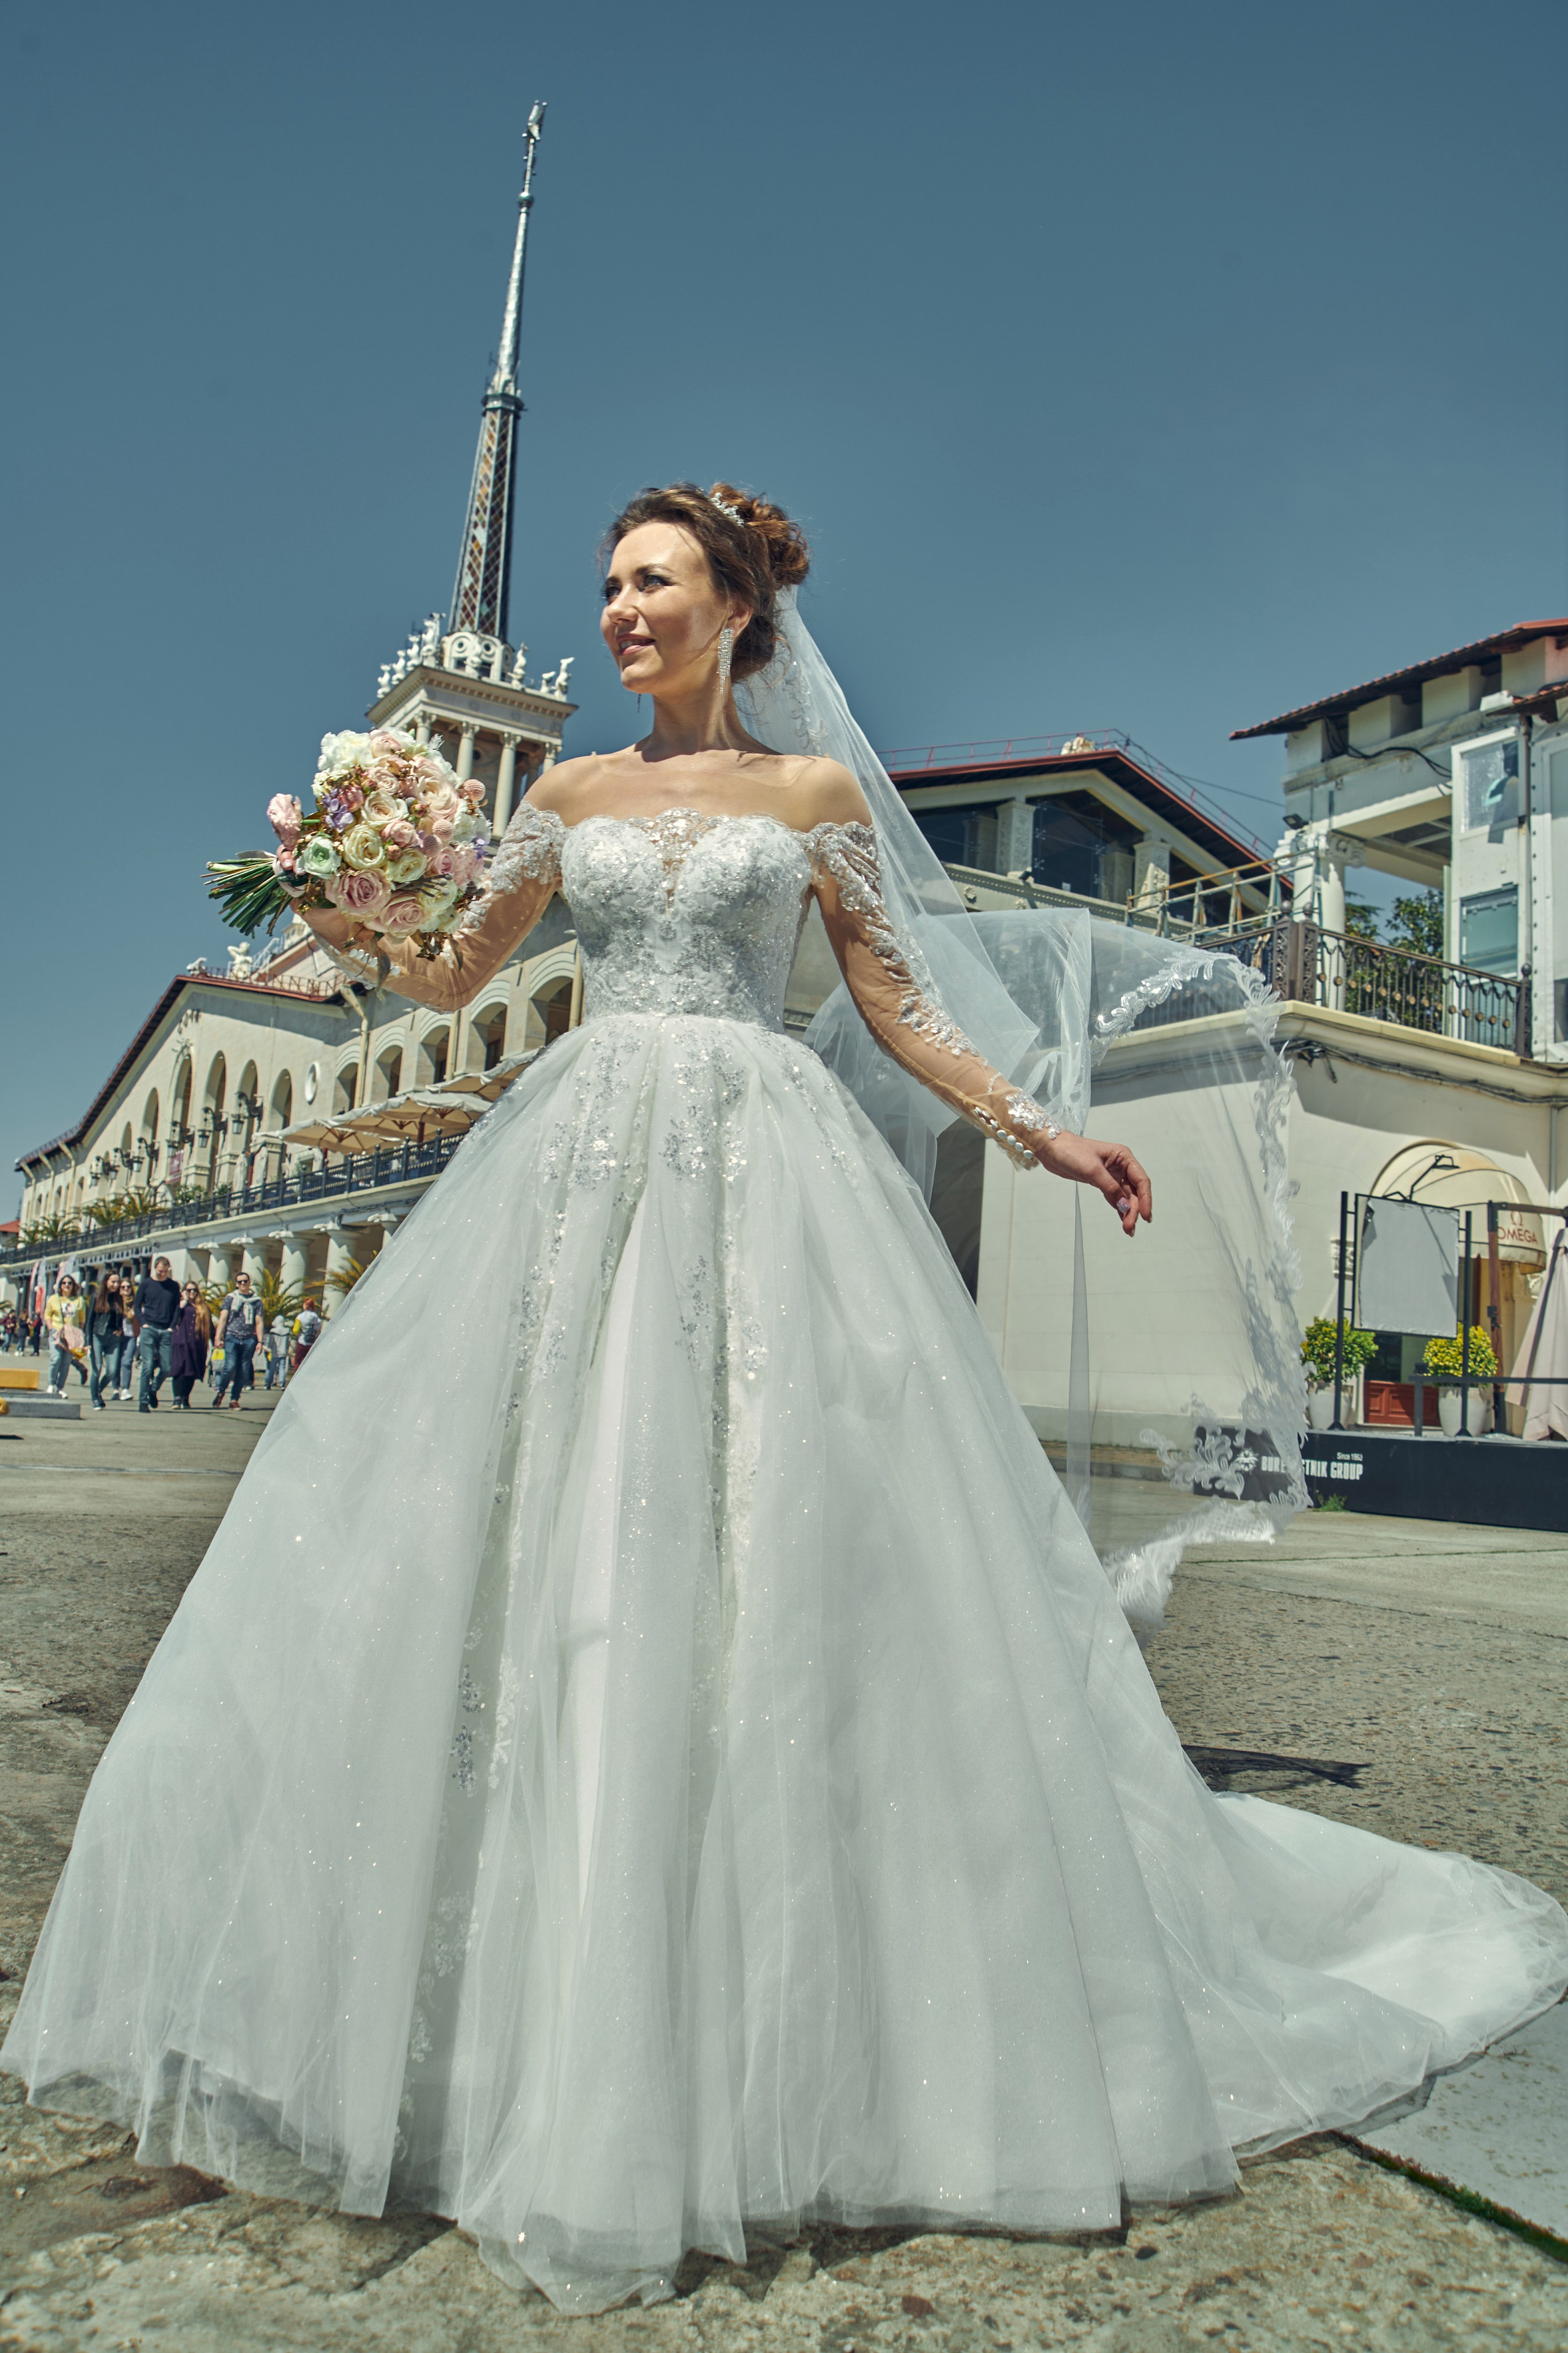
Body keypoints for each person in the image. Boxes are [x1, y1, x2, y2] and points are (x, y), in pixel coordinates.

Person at [7, 484, 1566, 2317]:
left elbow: (899, 1003)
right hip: (577, 1167)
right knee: (551, 1530)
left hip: (765, 1166)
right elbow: (446, 976)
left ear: (741, 607)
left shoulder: (814, 802)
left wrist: (1034, 1125)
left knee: (765, 1528)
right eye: (606, 586)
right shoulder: (566, 798)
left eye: (654, 580)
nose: (620, 612)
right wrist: (360, 906)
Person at [132, 1257, 181, 1411]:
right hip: (149, 1328)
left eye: (165, 1272)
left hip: (166, 1329)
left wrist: (172, 1327)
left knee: (167, 1367)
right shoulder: (146, 1283)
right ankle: (143, 1401)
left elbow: (177, 1308)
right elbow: (137, 1305)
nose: (162, 1274)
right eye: (160, 1271)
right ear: (155, 1269)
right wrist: (143, 1323)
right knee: (147, 1365)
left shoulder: (173, 1286)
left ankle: (153, 1390)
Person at [211, 1272, 263, 1408]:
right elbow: (223, 1318)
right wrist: (218, 1337)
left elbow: (259, 1321)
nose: (243, 1284)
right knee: (230, 1366)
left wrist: (260, 1341)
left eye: (245, 1281)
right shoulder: (230, 1299)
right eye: (240, 1282)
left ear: (249, 1282)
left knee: (243, 1370)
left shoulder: (256, 1301)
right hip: (232, 1337)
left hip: (248, 1339)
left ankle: (234, 1399)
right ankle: (221, 1391)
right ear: (236, 1284)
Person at [43, 1274, 88, 1399]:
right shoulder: (54, 1299)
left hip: (71, 1335)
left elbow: (82, 1319)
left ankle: (60, 1387)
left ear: (74, 1286)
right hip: (57, 1332)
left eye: (69, 1283)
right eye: (64, 1283)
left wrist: (79, 1333)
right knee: (55, 1358)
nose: (67, 1285)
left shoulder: (79, 1301)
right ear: (60, 1286)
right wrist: (50, 1328)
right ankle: (51, 1384)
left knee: (66, 1362)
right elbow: (47, 1315)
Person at [86, 1274, 125, 1411]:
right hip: (98, 1336)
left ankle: (98, 1391)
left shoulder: (119, 1298)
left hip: (113, 1338)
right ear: (106, 1282)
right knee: (96, 1369)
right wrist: (88, 1342)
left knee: (112, 1371)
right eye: (113, 1282)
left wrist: (121, 1330)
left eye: (117, 1282)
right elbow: (90, 1321)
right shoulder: (97, 1297)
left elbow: (120, 1318)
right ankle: (95, 1399)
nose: (116, 1285)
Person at [170, 1283, 212, 1408]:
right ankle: (177, 1398)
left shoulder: (203, 1307)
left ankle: (185, 1397)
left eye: (194, 1290)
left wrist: (217, 1339)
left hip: (197, 1344)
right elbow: (174, 1319)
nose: (192, 1292)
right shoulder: (180, 1305)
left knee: (192, 1372)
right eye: (189, 1290)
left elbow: (210, 1326)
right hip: (181, 1342)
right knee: (179, 1371)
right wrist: (183, 1303)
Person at [290, 1295, 322, 1375]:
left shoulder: (300, 1317)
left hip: (302, 1341)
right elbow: (318, 1330)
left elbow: (296, 1330)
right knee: (307, 1362)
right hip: (311, 1342)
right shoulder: (316, 1318)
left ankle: (296, 1376)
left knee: (298, 1361)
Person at [264, 1306, 291, 1391]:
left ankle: (268, 1383)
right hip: (283, 1353)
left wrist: (268, 1348)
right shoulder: (287, 1331)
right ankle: (282, 1384)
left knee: (271, 1368)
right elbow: (288, 1342)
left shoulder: (273, 1332)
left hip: (275, 1353)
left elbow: (271, 1343)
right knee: (282, 1368)